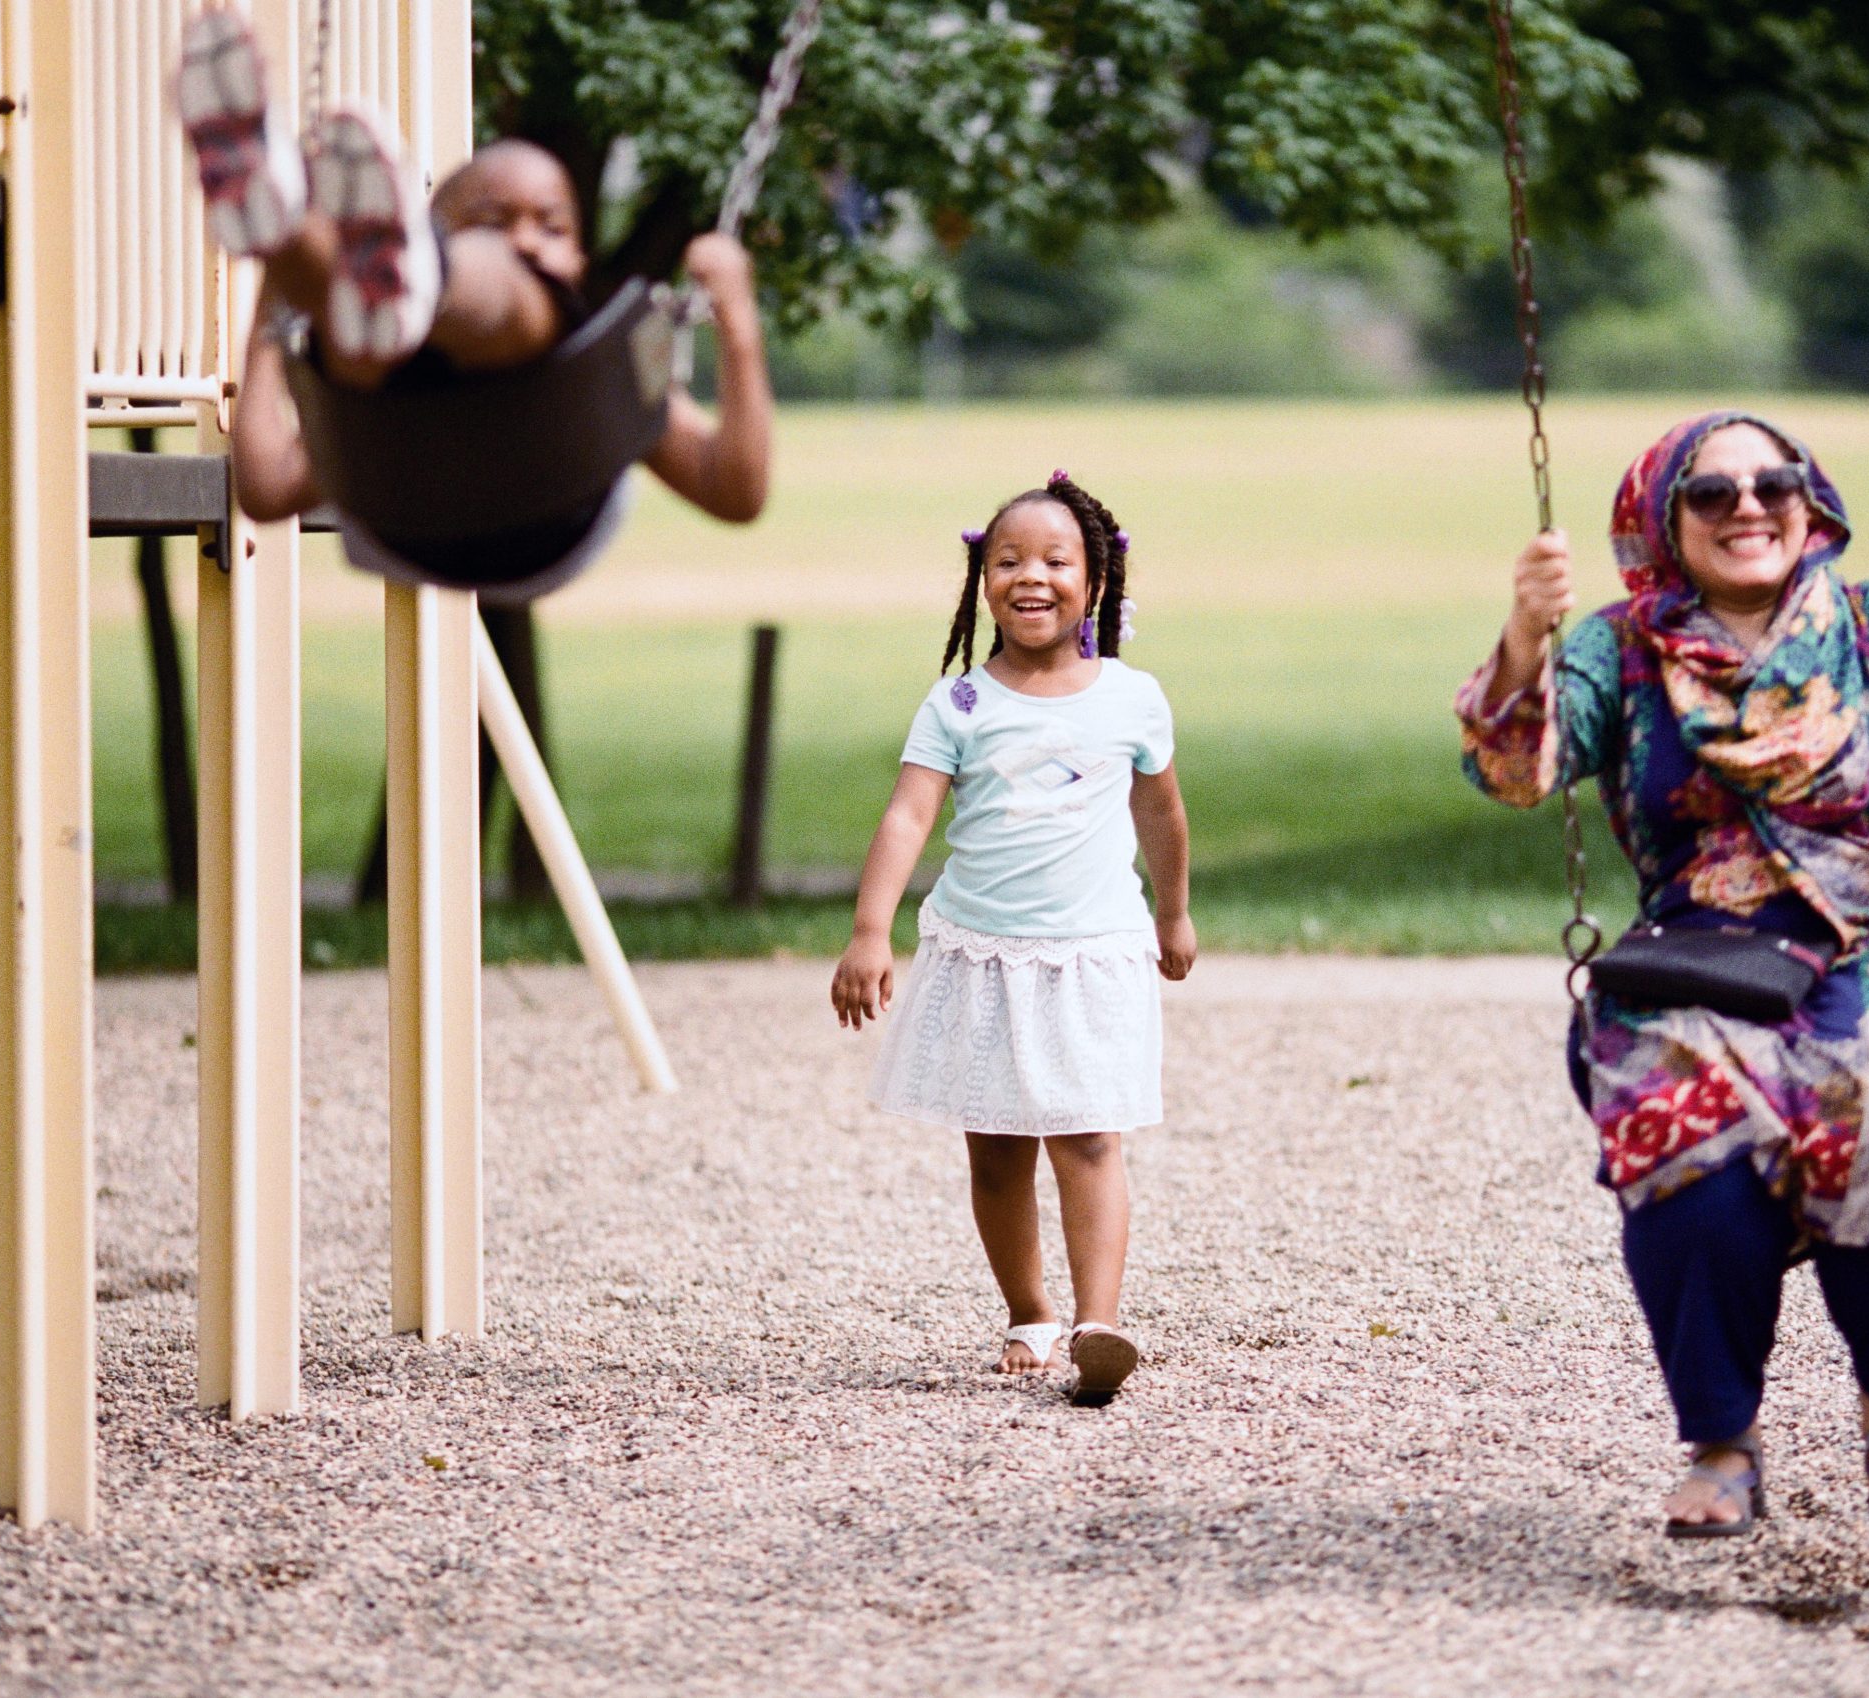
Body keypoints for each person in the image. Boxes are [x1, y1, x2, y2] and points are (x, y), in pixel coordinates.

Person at [1458, 411, 1869, 1537]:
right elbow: (1515, 771)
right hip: (1703, 952)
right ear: (1662, 518)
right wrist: (1521, 636)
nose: (1748, 506)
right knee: (1687, 1143)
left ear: (1811, 500)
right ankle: (1720, 1446)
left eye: (1773, 482)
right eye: (1711, 493)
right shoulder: (1620, 643)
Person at [175, 5, 772, 594]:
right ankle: (278, 217)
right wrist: (277, 301)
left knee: (496, 303)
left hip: (551, 521)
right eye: (492, 220)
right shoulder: (375, 347)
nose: (525, 241)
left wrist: (738, 321)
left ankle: (348, 254)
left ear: (583, 257)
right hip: (406, 513)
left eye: (553, 228)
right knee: (359, 323)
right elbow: (266, 490)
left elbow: (735, 490)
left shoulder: (602, 371)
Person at [832, 473, 1195, 1408]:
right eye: (1008, 560)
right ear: (981, 580)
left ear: (1097, 582)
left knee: (1088, 1137)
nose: (1031, 577)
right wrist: (871, 930)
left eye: (1055, 560)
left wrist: (1174, 913)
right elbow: (909, 818)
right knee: (995, 1149)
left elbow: (1163, 816)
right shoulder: (958, 704)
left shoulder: (1131, 698)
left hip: (1093, 952)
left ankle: (1097, 1323)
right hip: (982, 953)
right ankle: (1029, 1311)